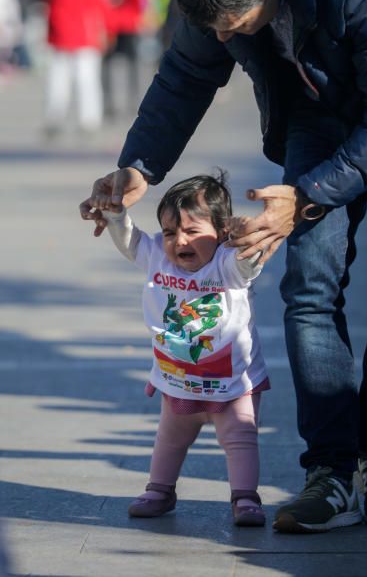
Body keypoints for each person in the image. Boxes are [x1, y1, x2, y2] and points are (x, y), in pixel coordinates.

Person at [80, 0, 367, 533]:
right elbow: (185, 76)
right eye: (214, 26)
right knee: (309, 283)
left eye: (233, 25)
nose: (223, 38)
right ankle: (330, 471)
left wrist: (306, 198)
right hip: (312, 103)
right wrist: (139, 165)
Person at [87, 172, 269, 526]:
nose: (178, 240)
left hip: (231, 382)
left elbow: (249, 264)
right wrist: (115, 214)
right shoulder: (158, 257)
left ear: (223, 233)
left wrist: (250, 243)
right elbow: (131, 242)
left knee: (240, 437)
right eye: (170, 232)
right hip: (178, 378)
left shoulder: (227, 264)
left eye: (192, 231)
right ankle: (160, 488)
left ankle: (245, 496)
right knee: (170, 439)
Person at [26, 0, 112, 135]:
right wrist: (105, 30)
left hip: (60, 33)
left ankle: (54, 117)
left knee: (58, 80)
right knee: (87, 80)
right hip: (85, 33)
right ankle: (89, 120)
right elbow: (101, 3)